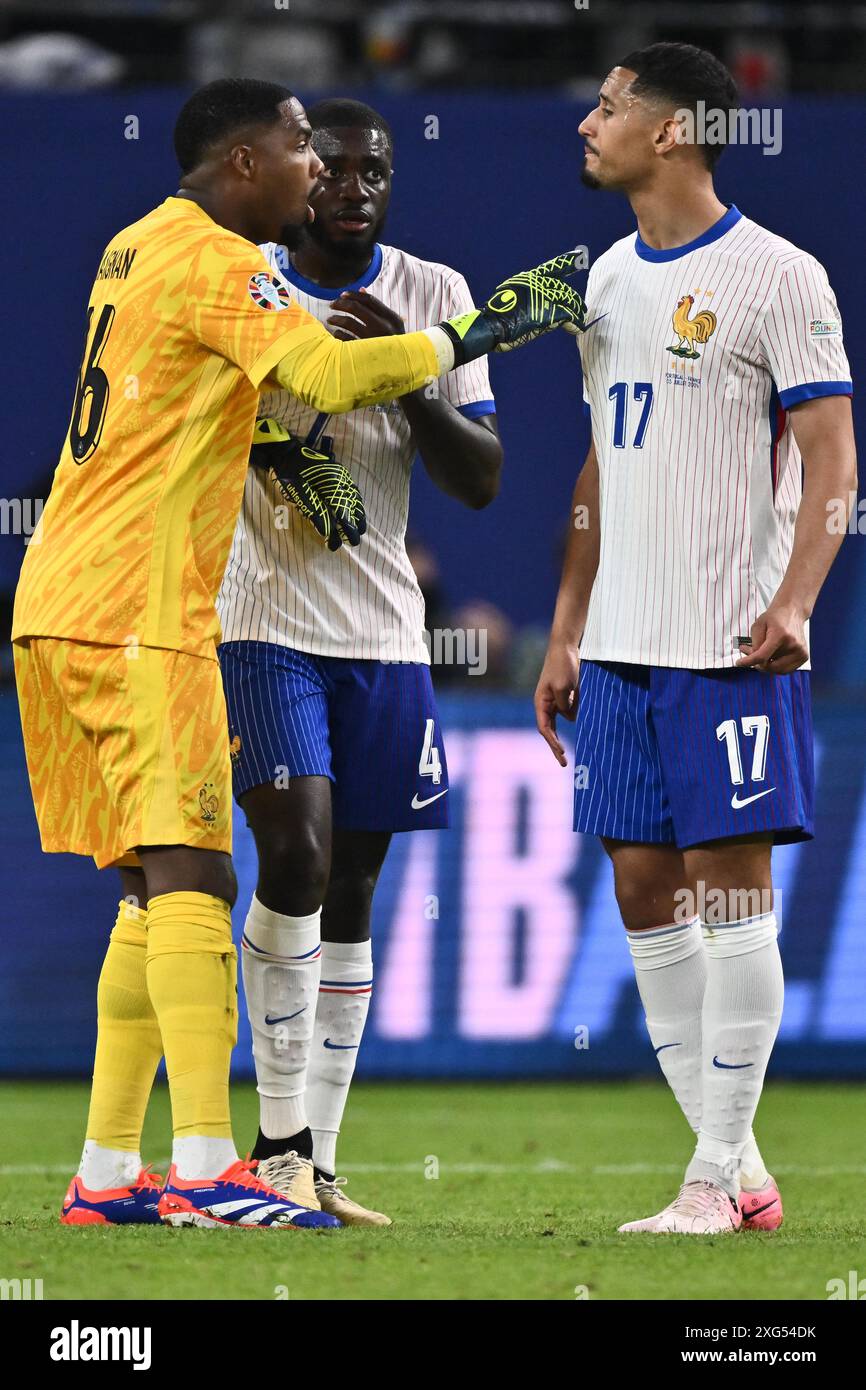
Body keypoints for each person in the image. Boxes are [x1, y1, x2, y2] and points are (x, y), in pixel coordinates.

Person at [12, 77, 585, 1231]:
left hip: (66, 597)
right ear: (240, 165)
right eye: (296, 152)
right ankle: (219, 1164)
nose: (317, 174)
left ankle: (106, 1172)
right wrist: (471, 335)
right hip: (143, 606)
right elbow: (322, 372)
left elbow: (194, 392)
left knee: (142, 887)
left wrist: (273, 454)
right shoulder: (229, 263)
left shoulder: (133, 246)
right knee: (199, 876)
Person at [534, 43, 855, 1235]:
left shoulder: (779, 276)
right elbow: (599, 470)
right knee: (638, 888)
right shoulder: (605, 279)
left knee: (734, 898)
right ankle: (740, 1164)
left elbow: (831, 456)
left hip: (729, 642)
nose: (589, 123)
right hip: (620, 643)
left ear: (672, 132)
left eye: (609, 107)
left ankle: (712, 1178)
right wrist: (565, 627)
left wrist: (796, 599)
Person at [216, 99, 502, 1226]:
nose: (350, 183)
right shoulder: (242, 283)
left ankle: (316, 1164)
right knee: (290, 848)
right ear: (294, 176)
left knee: (352, 887)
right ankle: (273, 1141)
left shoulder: (435, 294)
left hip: (384, 634)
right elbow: (207, 425)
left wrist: (402, 371)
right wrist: (287, 441)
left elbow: (478, 478)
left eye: (371, 168)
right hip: (262, 616)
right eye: (328, 165)